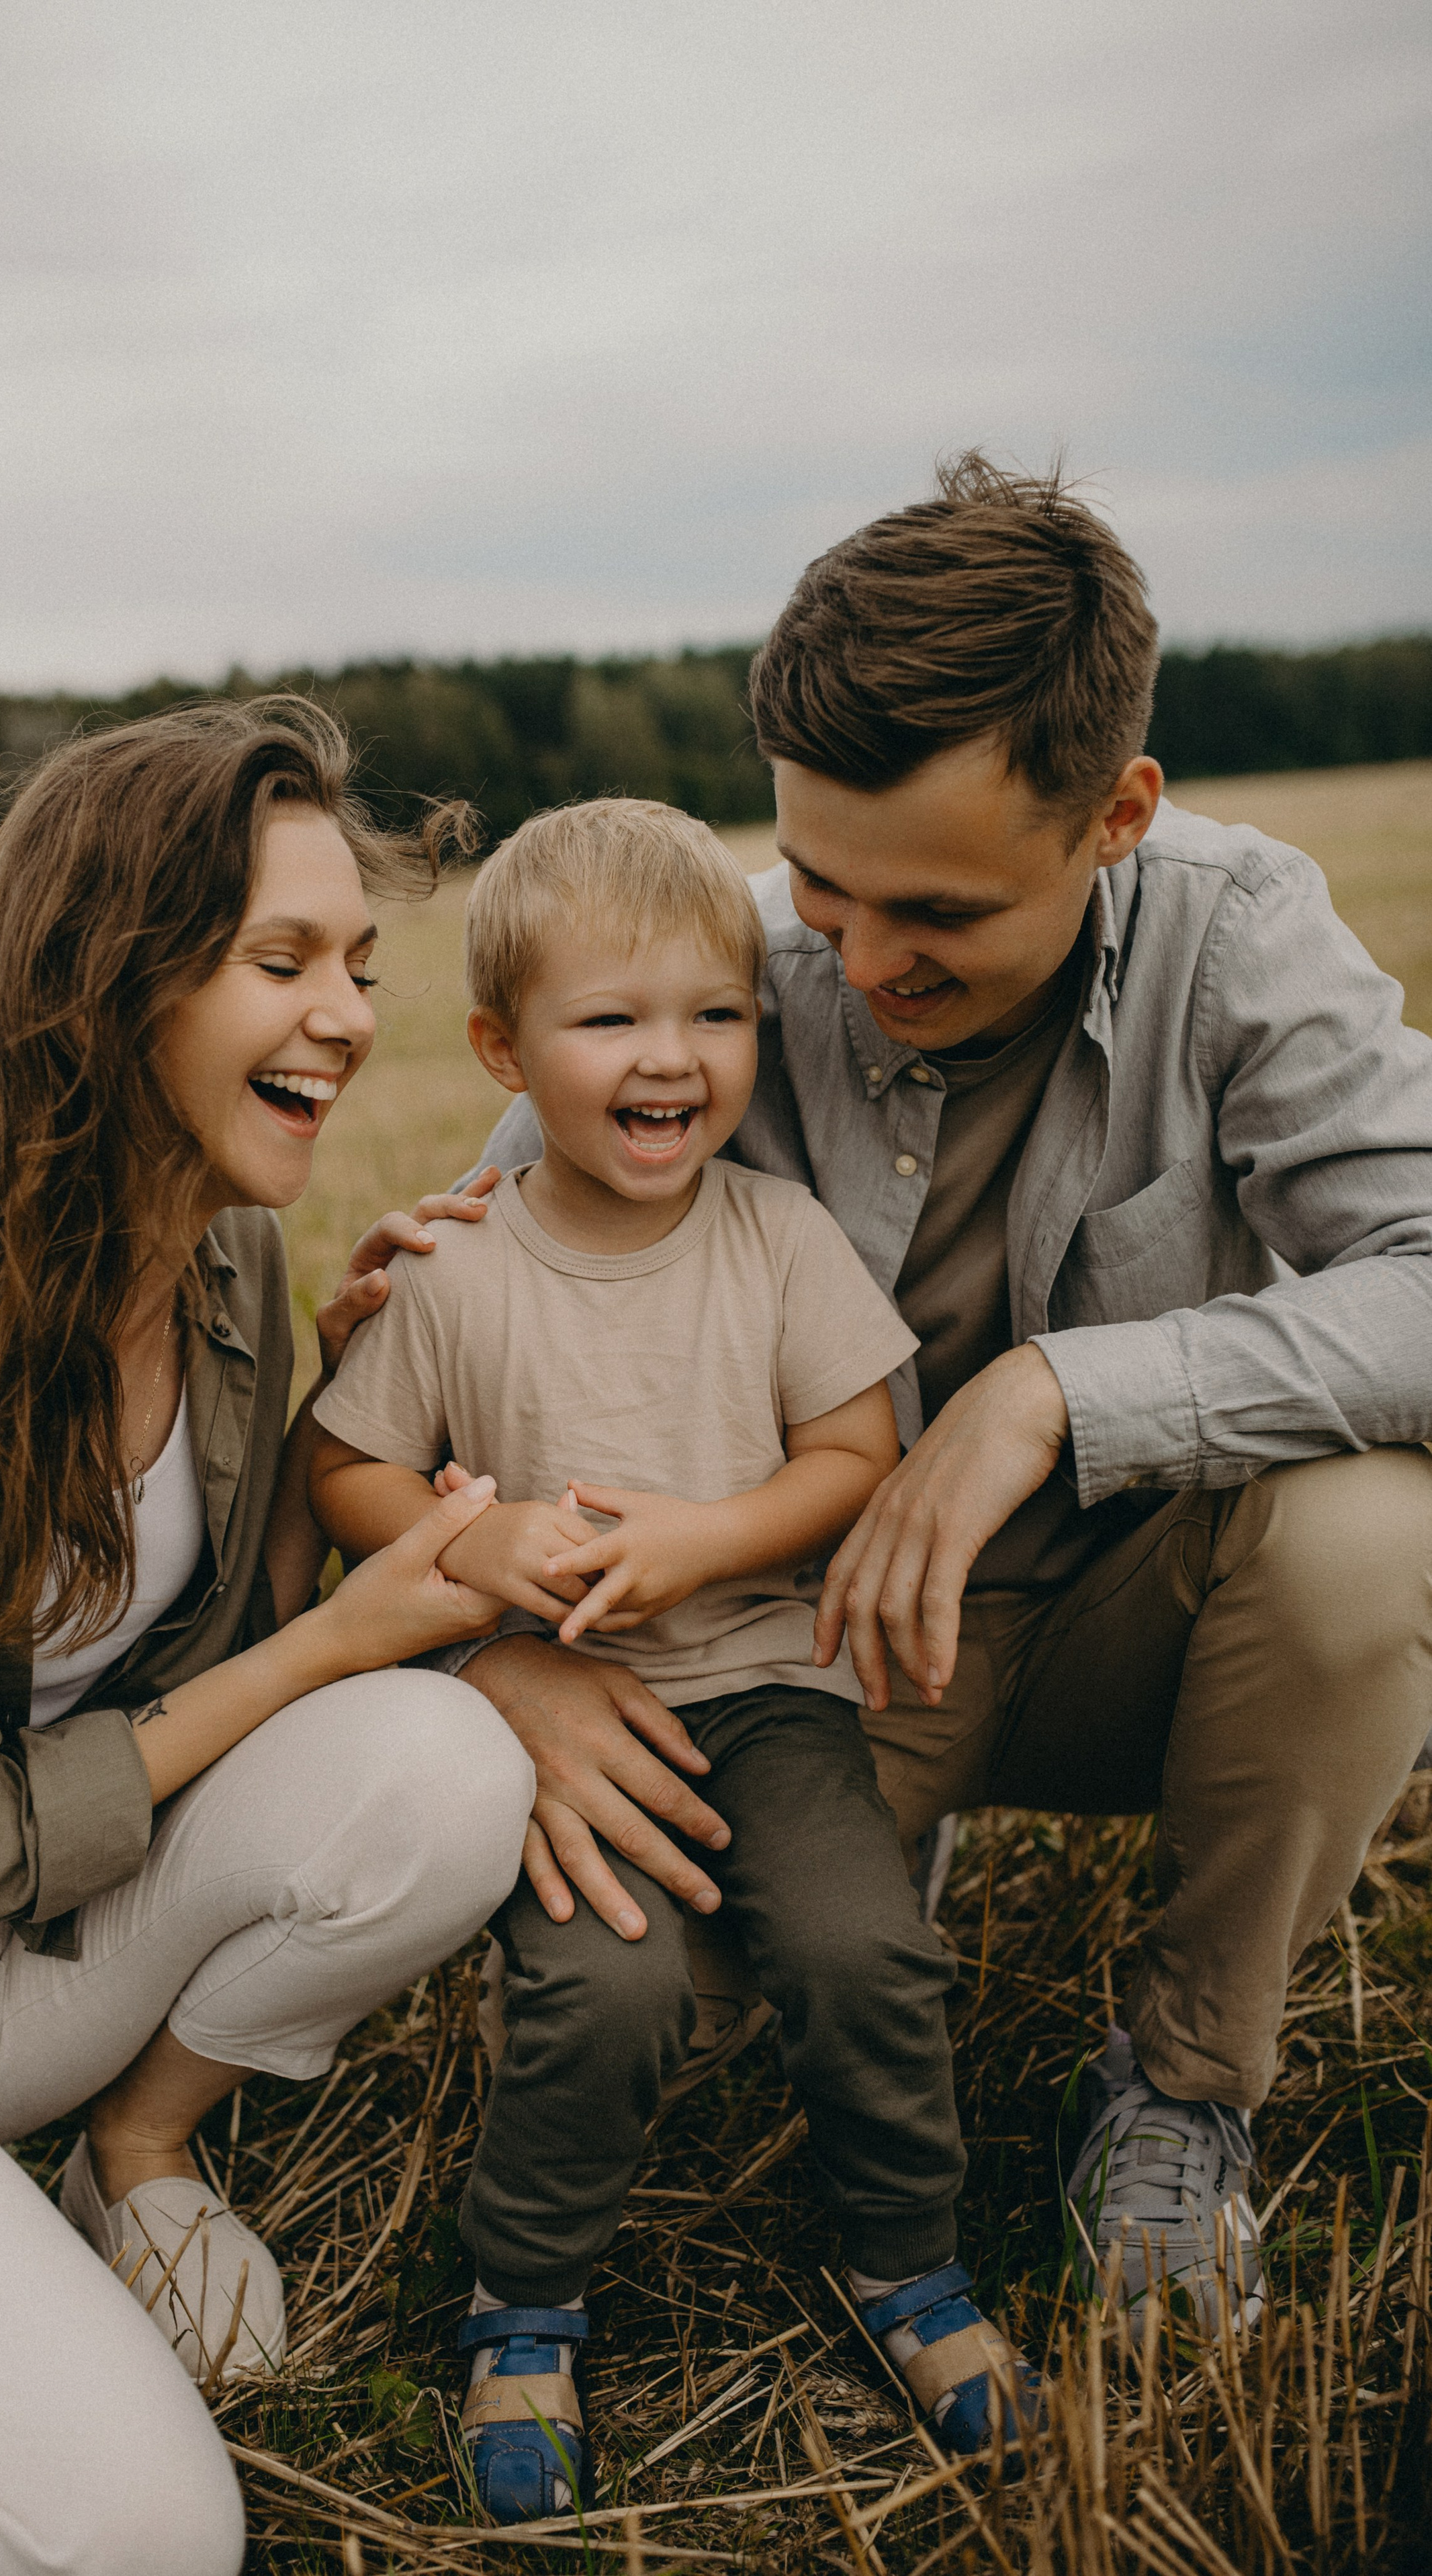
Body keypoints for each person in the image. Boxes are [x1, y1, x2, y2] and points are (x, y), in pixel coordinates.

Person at [425, 456, 1432, 2336]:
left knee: (1375, 1528)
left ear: (1115, 812)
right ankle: (880, 1866)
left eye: (938, 913)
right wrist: (507, 1657)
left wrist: (1062, 1390)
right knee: (641, 2049)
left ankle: (1184, 2093)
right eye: (819, 882)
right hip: (797, 1656)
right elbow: (450, 1367)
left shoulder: (1242, 925)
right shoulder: (706, 971)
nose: (857, 960)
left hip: (1153, 1620)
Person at [0, 697, 535, 2576]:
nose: (348, 1012)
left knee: (445, 1774)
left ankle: (128, 2151)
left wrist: (342, 1407)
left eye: (360, 963)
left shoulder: (230, 1255)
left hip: (43, 1953)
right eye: (283, 961)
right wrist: (335, 1650)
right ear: (108, 985)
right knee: (132, 2542)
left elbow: (200, 1684)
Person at [310, 800, 1038, 2521]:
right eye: (610, 1018)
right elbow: (345, 1469)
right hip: (555, 1720)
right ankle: (526, 2306)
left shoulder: (776, 1239)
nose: (672, 1059)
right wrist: (468, 1542)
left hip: (769, 1691)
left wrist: (700, 1542)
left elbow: (854, 1458)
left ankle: (907, 2266)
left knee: (866, 1955)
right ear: (502, 1046)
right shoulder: (460, 1257)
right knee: (603, 1993)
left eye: (714, 1016)